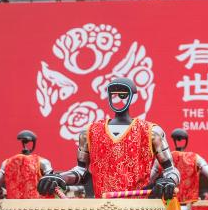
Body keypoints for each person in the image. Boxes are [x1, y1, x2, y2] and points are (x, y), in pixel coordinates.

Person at [38, 77, 180, 199]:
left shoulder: (152, 132)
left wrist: (169, 181)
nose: (118, 99)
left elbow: (171, 170)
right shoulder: (89, 131)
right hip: (103, 209)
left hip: (138, 208)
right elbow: (81, 171)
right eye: (113, 94)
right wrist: (59, 178)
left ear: (132, 97)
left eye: (123, 95)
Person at [0, 130, 53, 199]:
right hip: (37, 204)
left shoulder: (6, 163)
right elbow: (52, 183)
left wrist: (3, 192)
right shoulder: (42, 162)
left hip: (14, 205)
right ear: (34, 143)